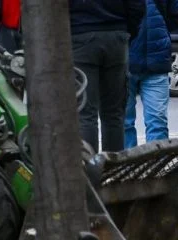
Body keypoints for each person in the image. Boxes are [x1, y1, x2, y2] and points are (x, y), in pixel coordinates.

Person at [70, 0, 146, 153]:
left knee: (86, 114)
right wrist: (126, 31)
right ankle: (113, 170)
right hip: (116, 38)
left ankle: (89, 169)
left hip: (80, 37)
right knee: (114, 114)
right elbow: (137, 6)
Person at [124, 0, 178, 149]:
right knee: (150, 122)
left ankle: (153, 166)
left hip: (152, 64)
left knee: (147, 122)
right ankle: (130, 167)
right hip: (127, 63)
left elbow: (177, 17)